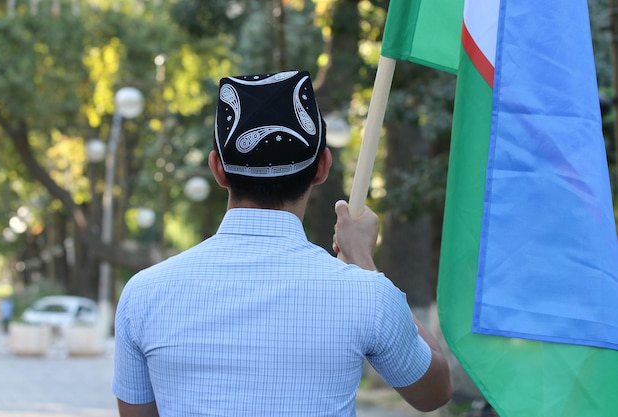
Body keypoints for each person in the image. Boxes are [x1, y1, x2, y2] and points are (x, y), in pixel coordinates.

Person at [112, 70, 452, 417]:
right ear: (323, 167)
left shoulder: (144, 293)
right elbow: (434, 392)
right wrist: (363, 259)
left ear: (217, 169)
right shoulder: (366, 295)